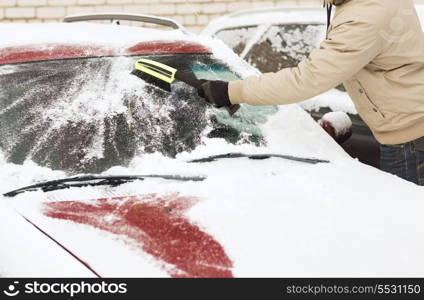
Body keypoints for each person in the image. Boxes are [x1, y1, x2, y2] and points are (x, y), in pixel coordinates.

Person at [199, 0, 424, 186]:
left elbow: (306, 79)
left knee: (411, 228)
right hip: (411, 130)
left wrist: (232, 90)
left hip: (410, 142)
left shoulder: (364, 15)